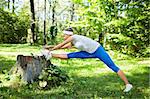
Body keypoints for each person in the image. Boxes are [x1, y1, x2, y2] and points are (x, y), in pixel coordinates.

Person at [41, 28, 133, 92]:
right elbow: (65, 47)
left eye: (64, 35)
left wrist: (52, 48)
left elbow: (61, 45)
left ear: (68, 34)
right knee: (71, 55)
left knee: (112, 66)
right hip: (89, 52)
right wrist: (50, 48)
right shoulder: (72, 41)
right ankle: (50, 55)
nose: (62, 36)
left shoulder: (74, 37)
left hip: (98, 50)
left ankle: (128, 84)